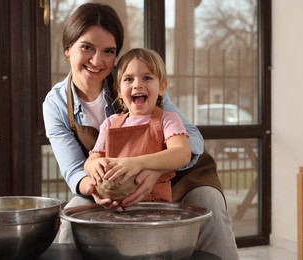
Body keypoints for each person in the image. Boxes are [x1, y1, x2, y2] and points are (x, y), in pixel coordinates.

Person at [42, 3, 239, 259]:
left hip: (180, 177)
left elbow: (192, 140)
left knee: (208, 203)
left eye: (108, 51)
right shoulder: (55, 104)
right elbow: (75, 169)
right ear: (67, 49)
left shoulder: (137, 82)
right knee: (72, 217)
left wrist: (150, 169)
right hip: (113, 186)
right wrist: (99, 188)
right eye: (87, 47)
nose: (97, 60)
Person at [84, 48, 191, 204]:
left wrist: (137, 163)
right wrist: (93, 165)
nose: (137, 85)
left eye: (147, 78)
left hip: (155, 209)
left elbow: (182, 154)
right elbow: (92, 160)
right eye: (128, 79)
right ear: (119, 91)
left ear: (162, 88)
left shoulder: (167, 120)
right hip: (116, 208)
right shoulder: (110, 123)